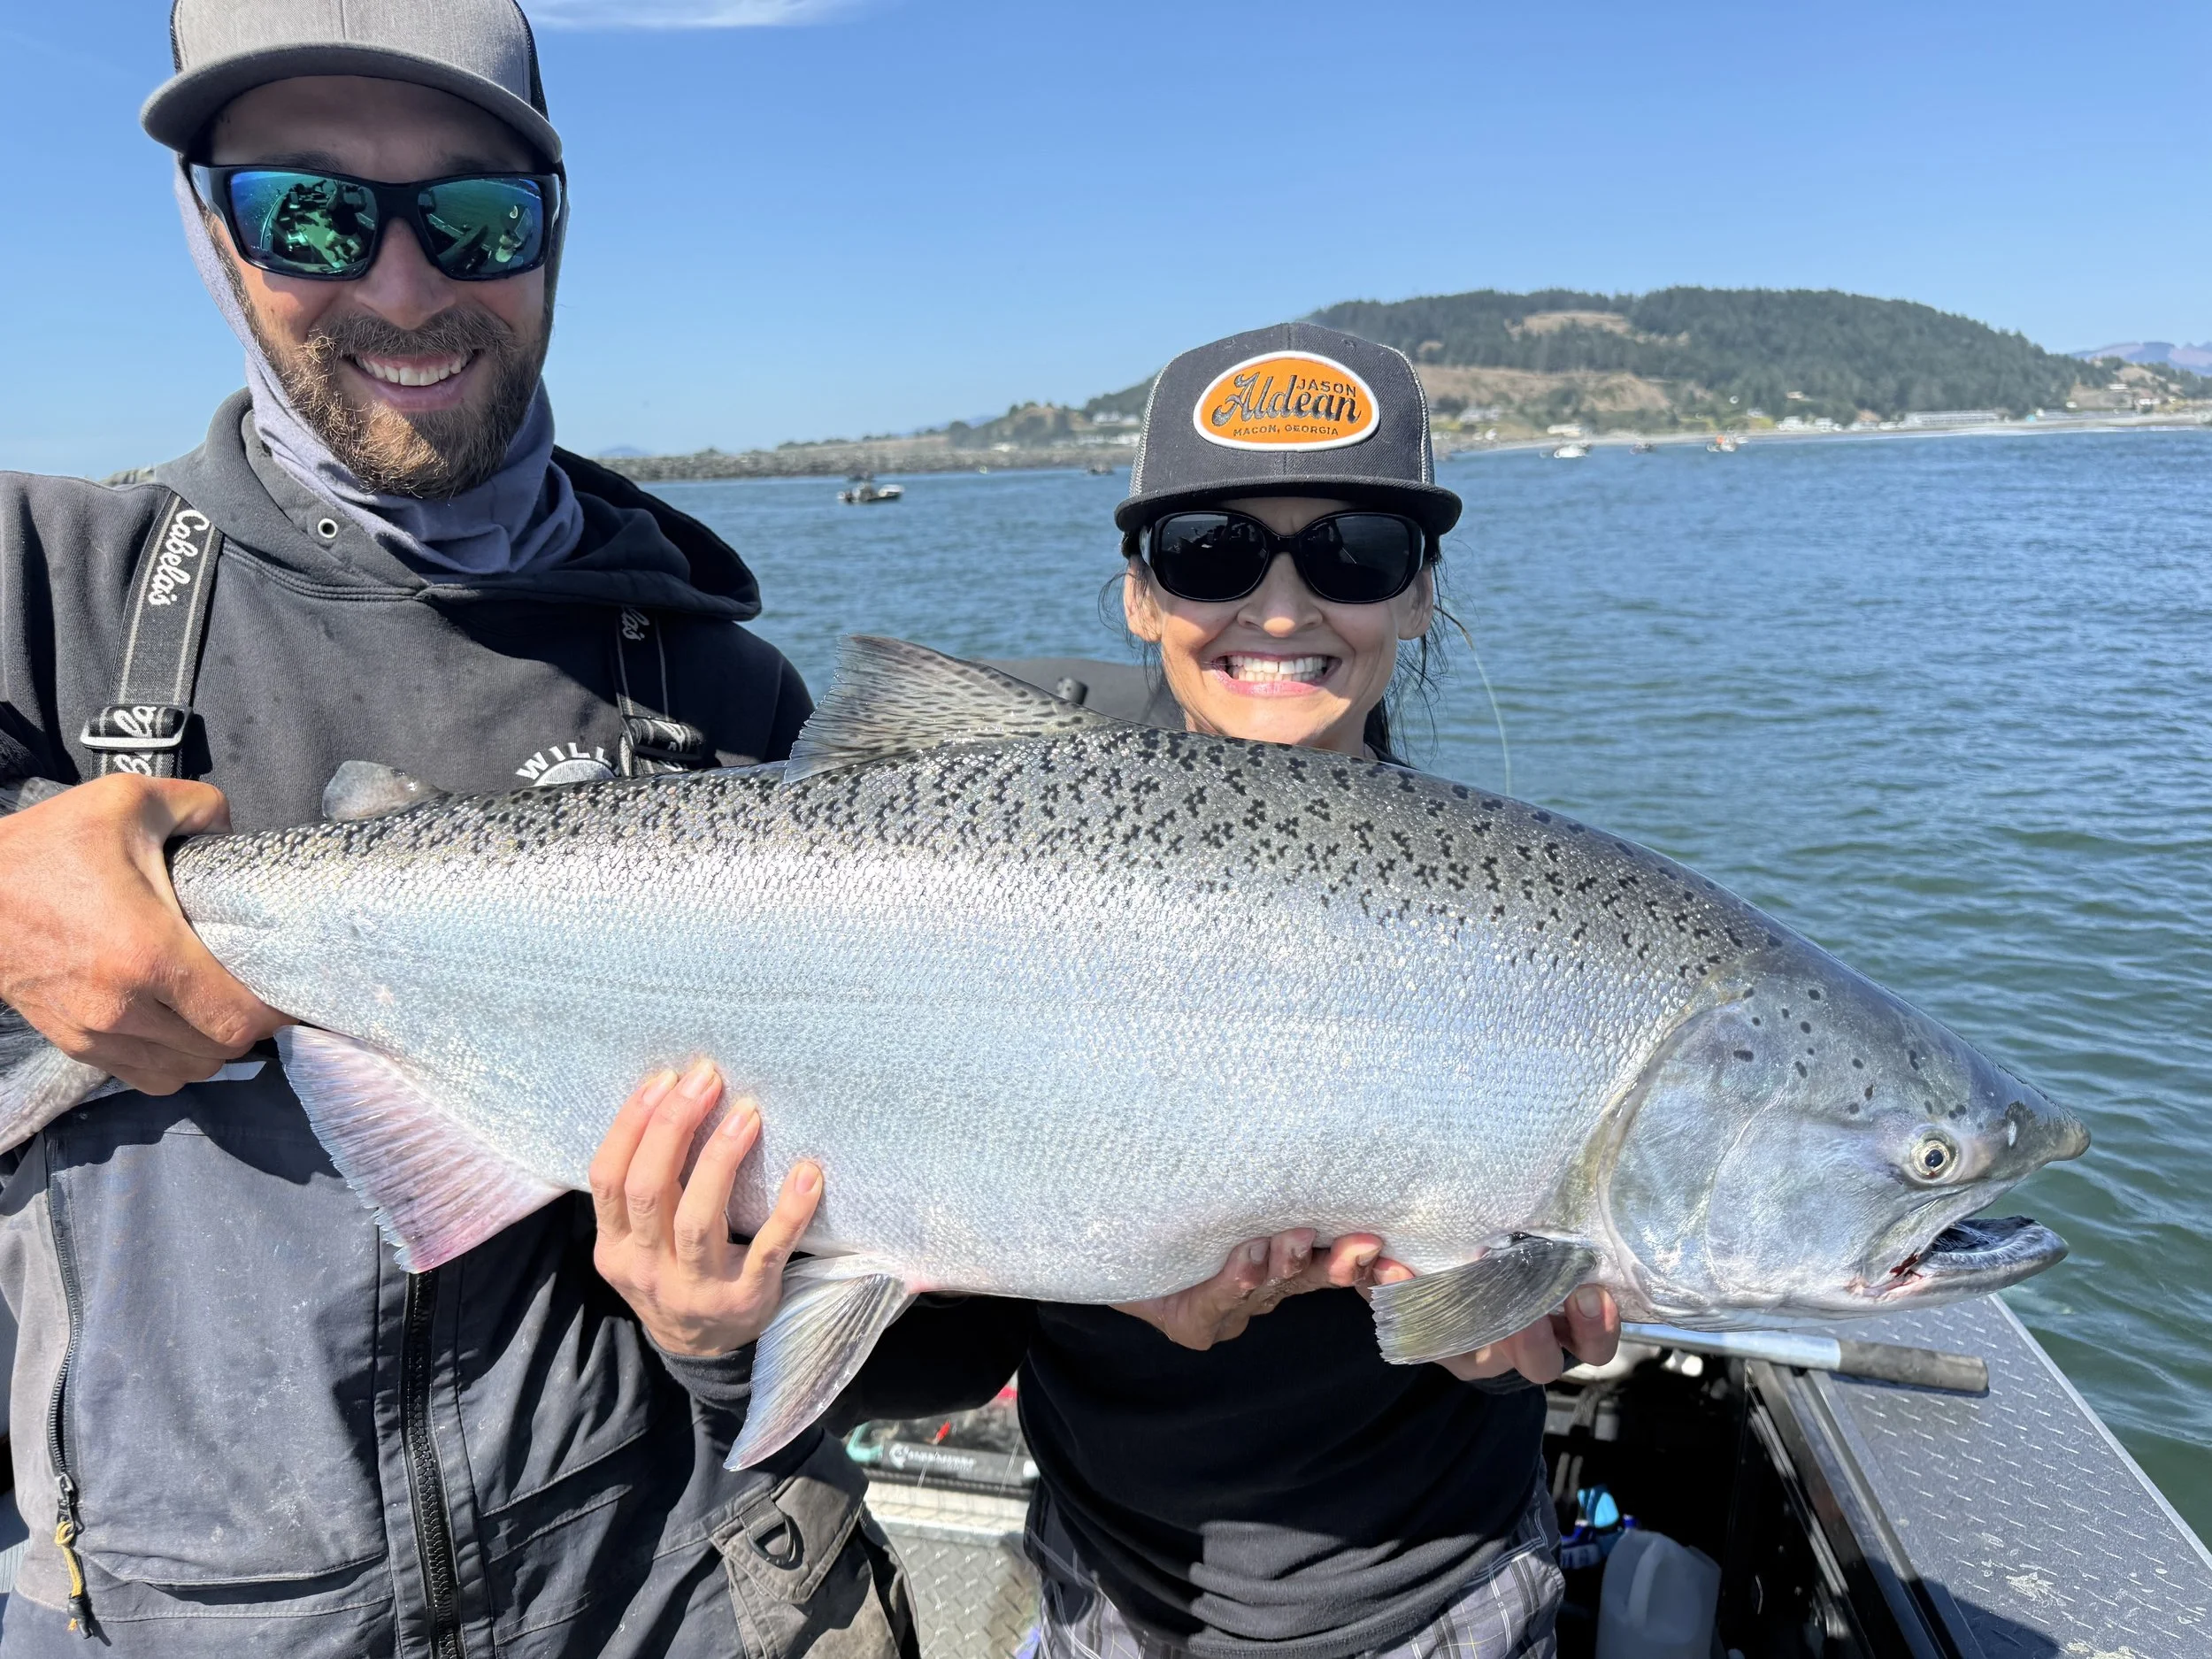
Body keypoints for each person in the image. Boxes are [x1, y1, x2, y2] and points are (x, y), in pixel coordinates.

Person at [0, 4, 907, 1655]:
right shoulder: (44, 590)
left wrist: (724, 1321)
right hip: (163, 1608)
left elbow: (853, 1223)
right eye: (315, 215)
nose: (405, 287)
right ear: (215, 231)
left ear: (555, 228)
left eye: (474, 216)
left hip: (645, 1598)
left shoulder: (726, 685)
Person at [865, 325, 1620, 1659]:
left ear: (1422, 591)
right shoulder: (1001, 872)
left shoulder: (1535, 917)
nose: (1280, 608)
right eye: (1209, 550)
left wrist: (1528, 1322)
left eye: (1356, 553)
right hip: (1103, 1592)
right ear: (1139, 591)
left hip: (1441, 1602)